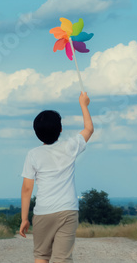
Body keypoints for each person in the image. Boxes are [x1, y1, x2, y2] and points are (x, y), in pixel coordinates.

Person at [19, 91, 93, 263]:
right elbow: (89, 129)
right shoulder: (70, 147)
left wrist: (24, 218)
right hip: (68, 210)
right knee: (62, 258)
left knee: (41, 256)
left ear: (36, 133)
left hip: (43, 212)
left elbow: (27, 189)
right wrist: (84, 104)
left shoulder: (33, 155)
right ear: (60, 129)